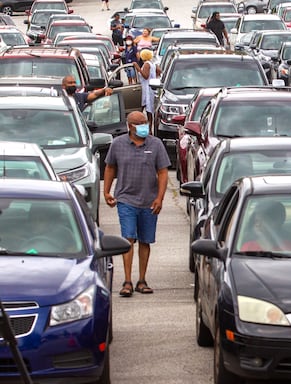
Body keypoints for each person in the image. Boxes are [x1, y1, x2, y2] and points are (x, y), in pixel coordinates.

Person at [103, 111, 171, 297]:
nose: (144, 126)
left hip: (149, 201)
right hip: (126, 199)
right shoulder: (118, 144)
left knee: (145, 240)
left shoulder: (156, 144)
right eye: (139, 123)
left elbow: (163, 172)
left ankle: (142, 280)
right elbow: (110, 167)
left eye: (145, 123)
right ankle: (127, 281)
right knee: (128, 238)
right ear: (130, 126)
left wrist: (160, 197)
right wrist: (107, 191)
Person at [134, 49, 161, 133]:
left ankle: (144, 128)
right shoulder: (152, 63)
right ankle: (149, 129)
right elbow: (159, 72)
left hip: (147, 89)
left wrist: (137, 68)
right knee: (149, 111)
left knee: (146, 109)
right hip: (150, 87)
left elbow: (145, 76)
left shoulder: (146, 64)